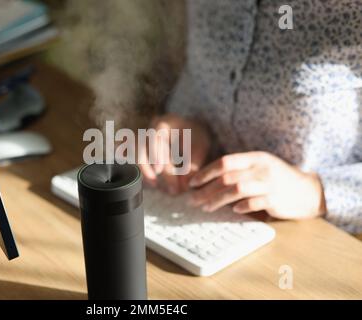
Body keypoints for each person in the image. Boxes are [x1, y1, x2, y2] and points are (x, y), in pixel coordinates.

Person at [139, 0, 362, 234]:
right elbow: (199, 68)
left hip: (314, 235)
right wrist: (185, 119)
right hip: (192, 200)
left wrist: (315, 192)